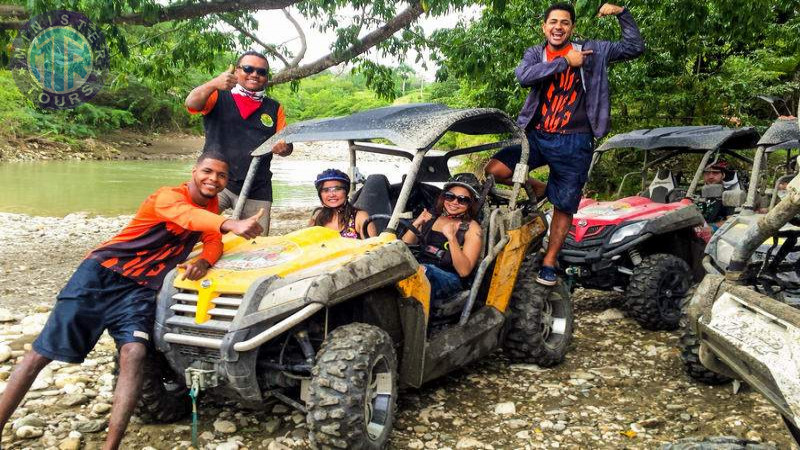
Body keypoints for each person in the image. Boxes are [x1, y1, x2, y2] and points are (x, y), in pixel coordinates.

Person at [0, 153, 264, 450]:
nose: (213, 180)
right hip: (101, 276)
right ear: (193, 172)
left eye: (221, 176)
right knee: (40, 353)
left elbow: (211, 238)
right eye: (207, 172)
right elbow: (189, 217)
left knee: (135, 353)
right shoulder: (166, 197)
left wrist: (204, 260)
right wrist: (231, 224)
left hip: (140, 290)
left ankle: (110, 446)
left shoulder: (212, 206)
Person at [484, 2, 644, 286]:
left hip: (575, 140)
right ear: (544, 27)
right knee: (494, 170)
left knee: (565, 205)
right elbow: (524, 76)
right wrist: (564, 62)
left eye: (565, 22)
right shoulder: (536, 53)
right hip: (536, 135)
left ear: (572, 27)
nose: (558, 27)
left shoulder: (592, 50)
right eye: (553, 22)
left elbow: (634, 47)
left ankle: (549, 261)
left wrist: (623, 14)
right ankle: (544, 189)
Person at [186, 50, 293, 236]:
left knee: (254, 243)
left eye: (261, 72)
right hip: (215, 180)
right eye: (248, 69)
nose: (255, 74)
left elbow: (287, 146)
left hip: (257, 186)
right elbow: (191, 103)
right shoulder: (217, 95)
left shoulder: (274, 107)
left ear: (266, 77)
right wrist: (213, 83)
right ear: (237, 71)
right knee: (191, 231)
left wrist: (284, 148)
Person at [402, 179, 483, 304]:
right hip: (419, 267)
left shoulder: (472, 229)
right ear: (443, 197)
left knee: (425, 271)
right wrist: (417, 224)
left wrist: (452, 238)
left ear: (470, 204)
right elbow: (403, 248)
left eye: (462, 199)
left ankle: (416, 321)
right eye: (450, 197)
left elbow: (464, 271)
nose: (455, 202)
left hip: (449, 277)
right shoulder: (432, 217)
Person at [309, 169, 375, 239]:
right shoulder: (317, 218)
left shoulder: (360, 217)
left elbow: (373, 247)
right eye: (326, 190)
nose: (331, 194)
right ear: (320, 195)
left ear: (346, 192)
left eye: (337, 189)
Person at [700, 161, 737, 230]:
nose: (710, 176)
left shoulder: (729, 195)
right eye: (707, 173)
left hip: (717, 236)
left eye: (715, 173)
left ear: (723, 175)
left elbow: (732, 221)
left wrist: (712, 227)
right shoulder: (694, 194)